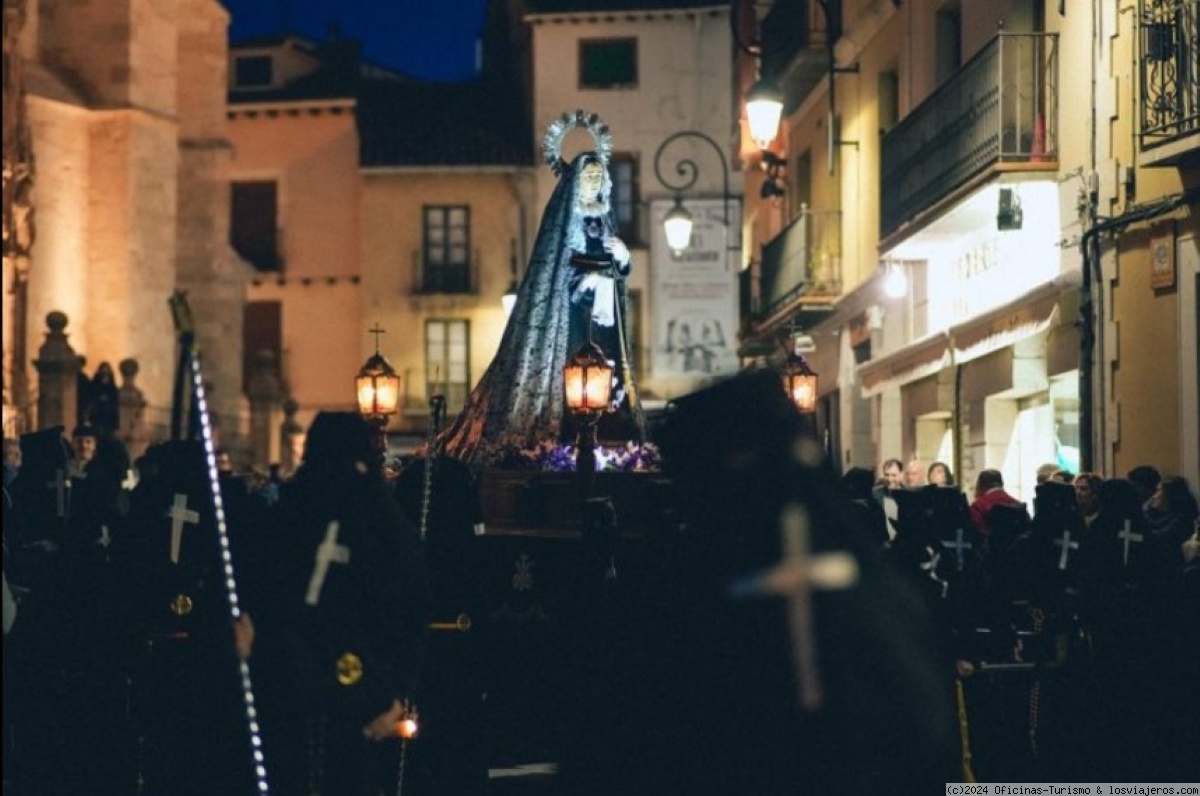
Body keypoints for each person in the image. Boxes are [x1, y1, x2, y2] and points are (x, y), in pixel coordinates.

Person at [440, 110, 646, 467]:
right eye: (589, 174)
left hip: (605, 309)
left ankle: (608, 420)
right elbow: (554, 268)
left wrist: (623, 258)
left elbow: (618, 265)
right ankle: (571, 423)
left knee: (607, 366)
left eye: (600, 174)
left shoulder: (606, 216)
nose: (595, 180)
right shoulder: (564, 220)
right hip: (574, 309)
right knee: (575, 364)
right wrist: (588, 278)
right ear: (575, 179)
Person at [255, 412, 431, 794]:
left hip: (309, 687)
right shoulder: (380, 518)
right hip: (349, 689)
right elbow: (410, 612)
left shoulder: (292, 510)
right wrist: (396, 691)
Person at [967, 469, 1021, 537]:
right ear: (1001, 483)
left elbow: (977, 533)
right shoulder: (1018, 505)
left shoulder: (978, 506)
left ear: (981, 485)